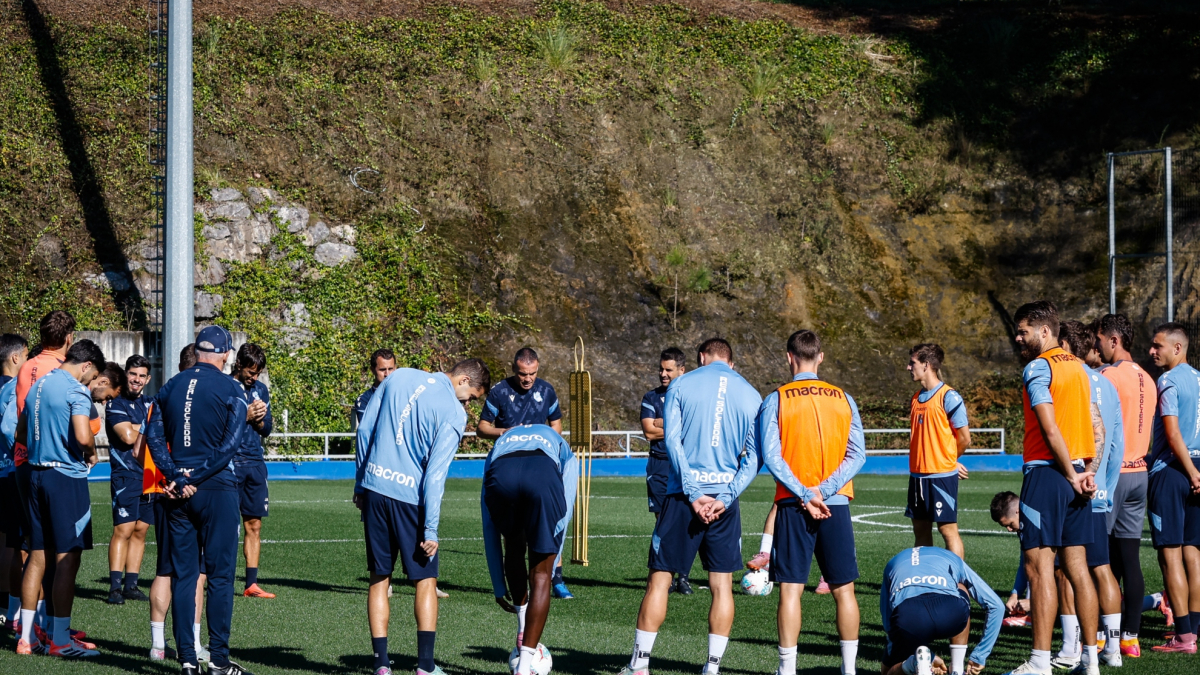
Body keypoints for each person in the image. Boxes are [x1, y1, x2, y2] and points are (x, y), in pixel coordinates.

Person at [620, 338, 762, 675]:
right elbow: (755, 457)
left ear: (701, 357)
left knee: (659, 581)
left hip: (683, 497)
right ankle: (712, 668)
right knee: (721, 586)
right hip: (724, 501)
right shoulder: (752, 394)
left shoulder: (682, 385)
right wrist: (726, 497)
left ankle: (639, 666)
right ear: (731, 361)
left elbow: (672, 440)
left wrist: (694, 492)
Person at [355, 358, 490, 675]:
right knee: (426, 581)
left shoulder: (399, 375)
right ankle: (426, 666)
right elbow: (435, 476)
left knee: (379, 578)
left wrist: (361, 483)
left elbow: (365, 430)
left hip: (374, 487)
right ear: (463, 380)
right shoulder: (453, 413)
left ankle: (381, 665)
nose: (468, 405)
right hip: (409, 499)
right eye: (471, 397)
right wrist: (431, 529)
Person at [146, 326, 253, 675]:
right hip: (215, 489)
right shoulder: (231, 387)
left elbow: (154, 436)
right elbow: (230, 445)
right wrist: (195, 475)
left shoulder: (170, 385)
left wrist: (176, 475)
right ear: (226, 354)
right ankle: (218, 661)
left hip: (179, 493)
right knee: (220, 578)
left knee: (183, 577)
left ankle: (188, 661)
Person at [760, 329, 865, 675]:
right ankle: (849, 669)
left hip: (794, 503)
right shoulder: (844, 398)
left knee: (790, 590)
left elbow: (772, 457)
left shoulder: (776, 399)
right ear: (820, 357)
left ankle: (787, 670)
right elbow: (858, 455)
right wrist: (825, 489)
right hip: (835, 503)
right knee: (844, 590)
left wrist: (806, 493)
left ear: (789, 357)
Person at [1007, 300, 1103, 675]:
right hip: (1077, 474)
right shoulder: (1078, 367)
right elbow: (1094, 426)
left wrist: (1069, 473)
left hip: (1048, 475)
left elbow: (1050, 429)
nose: (1018, 338)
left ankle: (1039, 662)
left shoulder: (1038, 367)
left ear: (1045, 331)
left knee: (1039, 569)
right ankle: (1090, 660)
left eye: (1023, 331)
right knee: (1079, 569)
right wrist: (1086, 471)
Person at [14, 339, 107, 657]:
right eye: (92, 377)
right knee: (68, 557)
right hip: (64, 478)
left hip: (34, 474)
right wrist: (91, 453)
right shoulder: (74, 389)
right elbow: (83, 435)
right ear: (87, 366)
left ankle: (26, 638)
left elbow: (21, 433)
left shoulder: (38, 385)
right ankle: (61, 641)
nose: (90, 383)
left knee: (37, 555)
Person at [1053, 321, 1125, 668]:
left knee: (1067, 569)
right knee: (1101, 567)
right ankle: (1113, 649)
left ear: (1065, 343)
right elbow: (1116, 441)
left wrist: (1076, 480)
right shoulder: (1106, 383)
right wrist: (1105, 485)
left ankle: (1071, 648)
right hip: (1100, 488)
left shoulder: (1066, 377)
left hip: (1072, 486)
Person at [477, 347, 573, 598]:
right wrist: (504, 432)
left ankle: (557, 578)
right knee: (514, 533)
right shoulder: (499, 391)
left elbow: (556, 424)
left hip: (541, 464)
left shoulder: (546, 390)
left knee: (550, 520)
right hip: (510, 463)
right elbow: (482, 427)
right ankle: (517, 584)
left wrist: (549, 442)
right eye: (522, 374)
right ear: (514, 370)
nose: (528, 379)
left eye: (532, 373)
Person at [482, 424, 578, 675]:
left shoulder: (502, 441)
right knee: (541, 574)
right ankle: (524, 668)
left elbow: (488, 524)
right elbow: (565, 510)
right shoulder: (557, 440)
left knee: (513, 546)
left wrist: (498, 585)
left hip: (502, 474)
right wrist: (553, 560)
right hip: (542, 475)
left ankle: (522, 627)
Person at [1095, 313, 1155, 656]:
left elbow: (1100, 428)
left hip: (1113, 475)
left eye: (1100, 340)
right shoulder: (1148, 377)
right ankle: (1130, 637)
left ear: (1113, 340)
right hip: (1140, 473)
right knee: (1129, 559)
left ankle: (1102, 635)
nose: (1098, 346)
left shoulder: (1108, 375)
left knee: (1099, 559)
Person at [146, 344, 209, 663]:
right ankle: (194, 644)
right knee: (196, 572)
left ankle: (158, 644)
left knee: (165, 568)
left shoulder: (161, 396)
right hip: (189, 491)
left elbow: (142, 448)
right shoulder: (197, 398)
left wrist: (161, 480)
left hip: (160, 489)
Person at [1145, 322, 1200, 653]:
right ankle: (1194, 629)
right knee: (1194, 553)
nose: (1152, 351)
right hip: (1198, 468)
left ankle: (1183, 637)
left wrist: (1190, 472)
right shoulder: (1199, 378)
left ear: (1177, 348)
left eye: (1158, 345)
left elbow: (1173, 433)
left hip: (1173, 472)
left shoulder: (1167, 380)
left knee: (1170, 556)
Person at [880, 546, 1003, 675]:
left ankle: (914, 662)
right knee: (960, 587)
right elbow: (996, 606)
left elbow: (888, 621)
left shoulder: (892, 562)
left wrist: (899, 651)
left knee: (888, 672)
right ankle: (957, 668)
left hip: (908, 617)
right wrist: (980, 655)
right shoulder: (954, 558)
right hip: (950, 612)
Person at [905, 343, 971, 559]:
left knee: (947, 530)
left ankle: (957, 577)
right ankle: (925, 575)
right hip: (917, 477)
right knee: (920, 531)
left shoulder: (948, 396)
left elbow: (964, 438)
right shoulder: (915, 398)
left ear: (926, 365)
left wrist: (949, 460)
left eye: (912, 363)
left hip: (941, 476)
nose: (908, 367)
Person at [639, 347, 692, 595]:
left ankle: (683, 577)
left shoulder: (692, 397)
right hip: (659, 465)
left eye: (668, 370)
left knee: (686, 521)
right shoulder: (651, 397)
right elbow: (649, 432)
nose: (663, 374)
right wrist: (677, 425)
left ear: (682, 370)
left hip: (683, 465)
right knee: (663, 522)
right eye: (661, 369)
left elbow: (694, 428)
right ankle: (665, 577)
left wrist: (664, 422)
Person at [105, 355, 153, 605]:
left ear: (148, 379)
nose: (136, 379)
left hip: (150, 475)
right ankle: (114, 588)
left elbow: (162, 431)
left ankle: (131, 585)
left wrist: (138, 428)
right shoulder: (115, 403)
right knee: (123, 529)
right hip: (125, 474)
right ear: (125, 375)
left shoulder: (151, 403)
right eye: (133, 374)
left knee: (141, 530)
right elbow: (126, 437)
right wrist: (147, 429)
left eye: (141, 375)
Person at [230, 343, 275, 599]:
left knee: (254, 525)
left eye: (258, 373)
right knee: (226, 526)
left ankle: (251, 584)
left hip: (255, 463)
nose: (254, 377)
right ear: (238, 364)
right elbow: (218, 425)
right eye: (250, 372)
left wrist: (258, 419)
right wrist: (245, 415)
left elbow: (267, 429)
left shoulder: (260, 390)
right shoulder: (225, 387)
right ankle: (219, 578)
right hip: (230, 463)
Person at [0, 333, 29, 630]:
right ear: (16, 357)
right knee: (18, 544)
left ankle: (9, 611)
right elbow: (10, 429)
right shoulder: (13, 388)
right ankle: (13, 612)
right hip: (11, 471)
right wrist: (23, 451)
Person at [354, 348, 397, 428]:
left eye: (390, 369)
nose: (387, 374)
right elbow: (368, 428)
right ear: (372, 370)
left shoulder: (406, 395)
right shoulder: (364, 399)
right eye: (382, 370)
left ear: (395, 368)